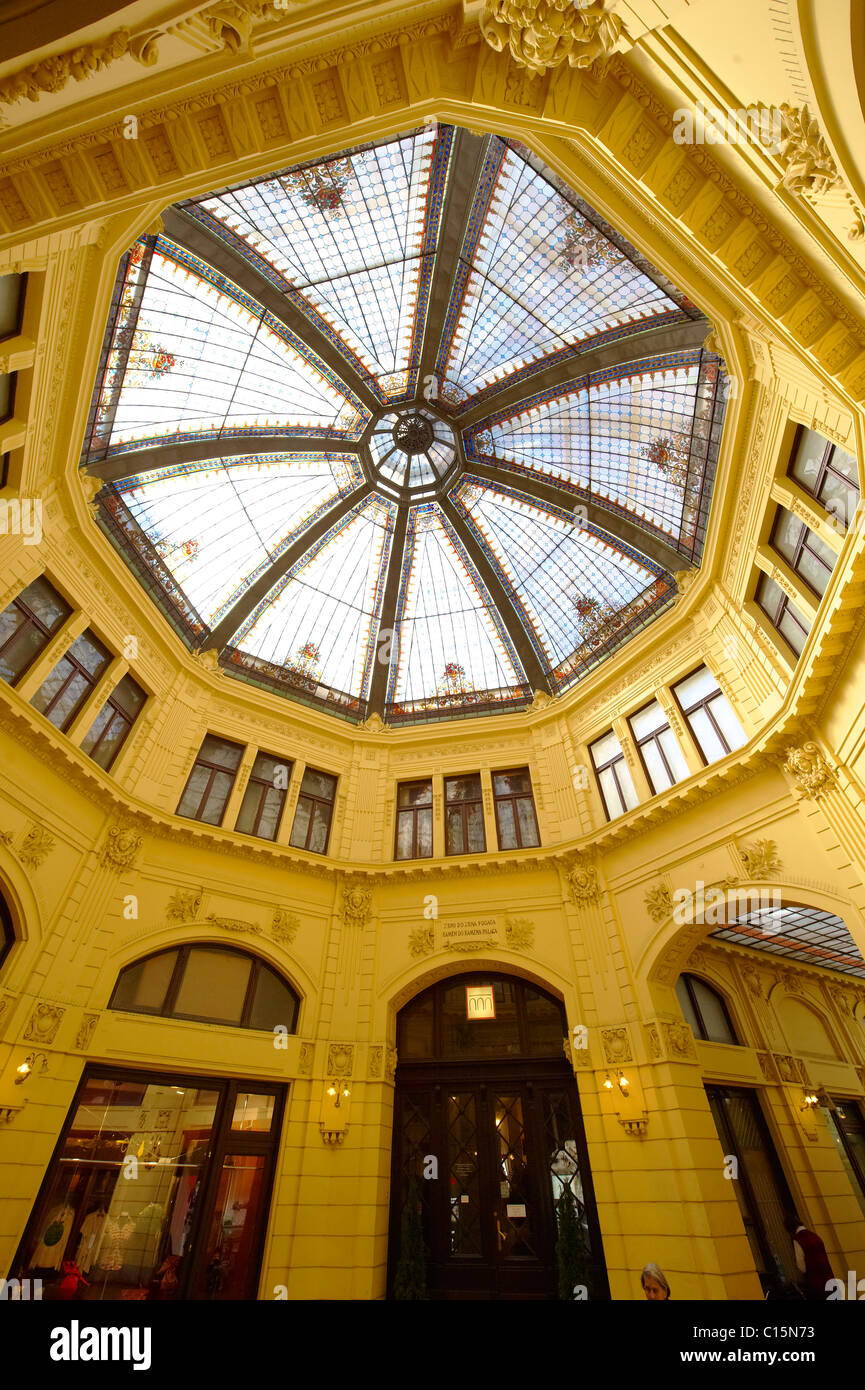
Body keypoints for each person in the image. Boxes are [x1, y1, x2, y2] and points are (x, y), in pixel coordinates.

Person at [784, 1214, 834, 1300]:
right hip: (830, 1280)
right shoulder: (815, 1236)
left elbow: (802, 1267)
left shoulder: (798, 1240)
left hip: (816, 1285)